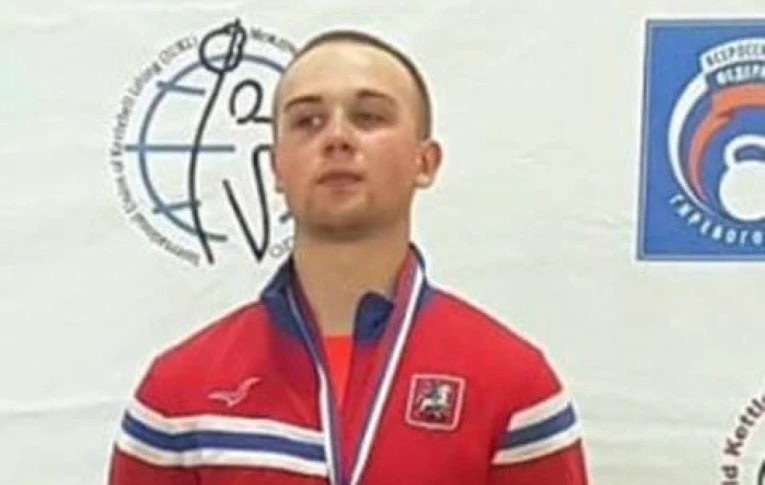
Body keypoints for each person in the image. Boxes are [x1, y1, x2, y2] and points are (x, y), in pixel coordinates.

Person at [108, 29, 589, 485]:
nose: (337, 137)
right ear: (276, 167)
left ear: (425, 162)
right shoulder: (177, 396)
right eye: (307, 121)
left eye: (369, 117)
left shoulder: (513, 388)